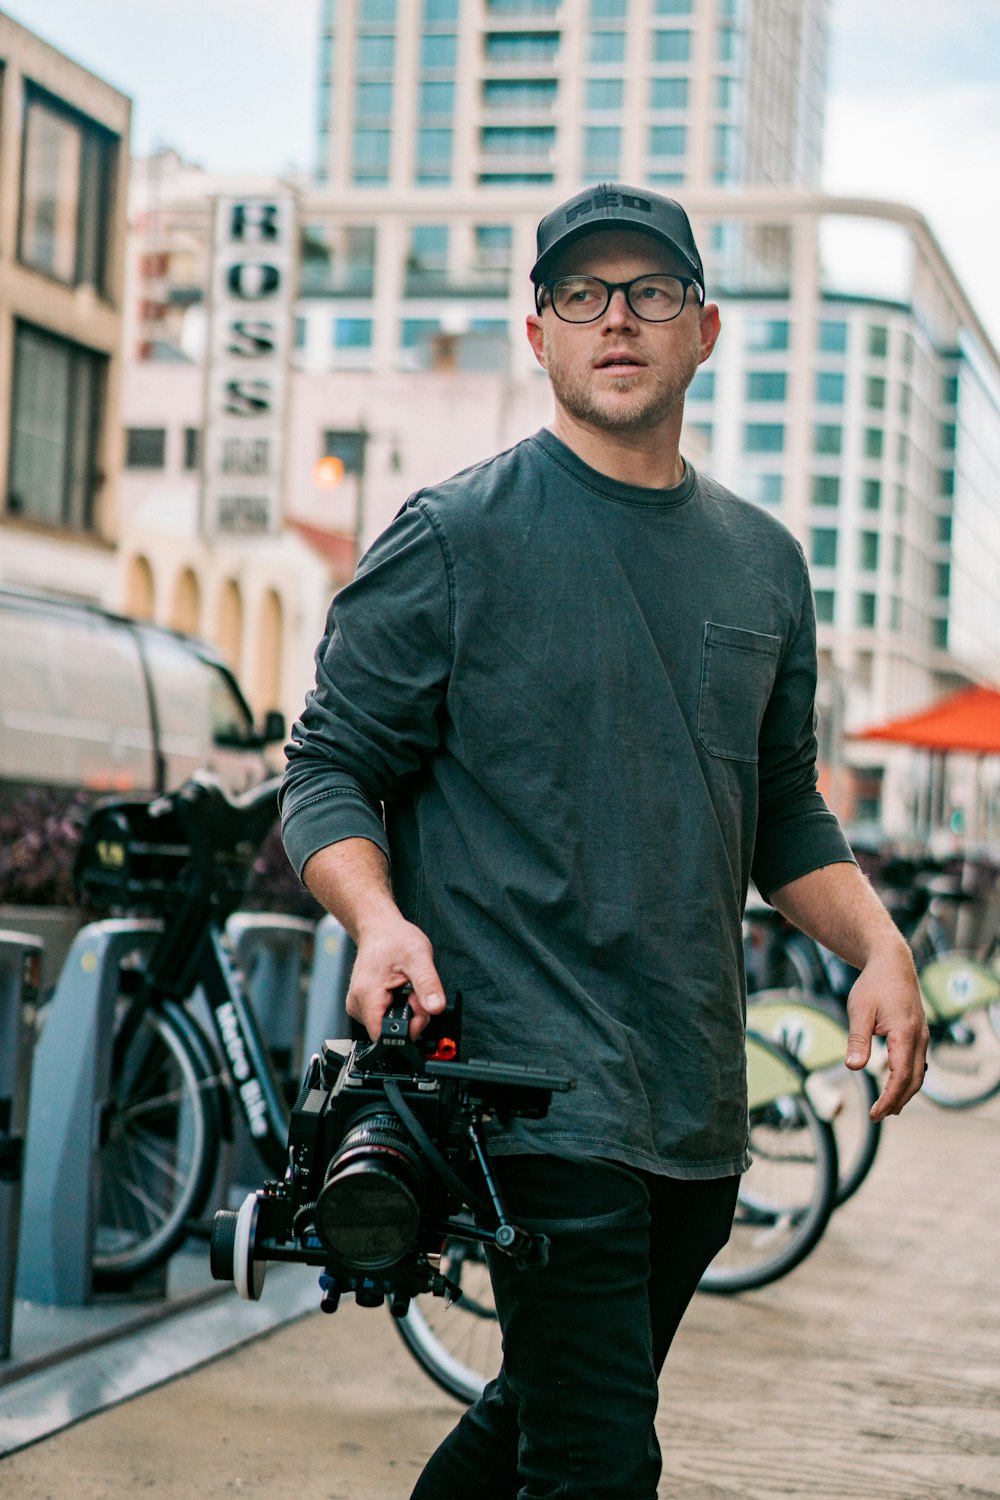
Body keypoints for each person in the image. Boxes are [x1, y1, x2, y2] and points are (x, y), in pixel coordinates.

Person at [279, 182, 929, 1500]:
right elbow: (331, 770)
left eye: (649, 292)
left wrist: (880, 947)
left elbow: (784, 808)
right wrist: (381, 919)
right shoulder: (456, 537)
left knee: (543, 1411)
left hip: (693, 1099)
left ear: (706, 330)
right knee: (597, 1463)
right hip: (521, 1089)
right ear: (539, 336)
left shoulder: (767, 563)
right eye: (582, 294)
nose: (614, 318)